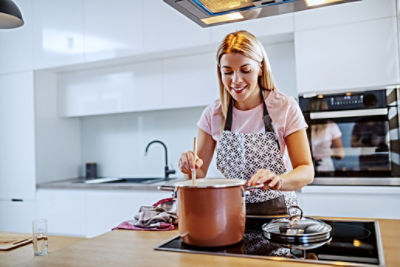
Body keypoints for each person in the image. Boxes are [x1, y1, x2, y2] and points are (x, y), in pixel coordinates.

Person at [178, 30, 314, 215]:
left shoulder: (284, 106)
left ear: (260, 68)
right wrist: (189, 168)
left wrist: (278, 181)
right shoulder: (214, 113)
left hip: (279, 213)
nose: (235, 80)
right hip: (231, 211)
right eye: (227, 72)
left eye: (245, 70)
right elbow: (198, 174)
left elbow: (306, 170)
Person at [308, 99, 344, 172]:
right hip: (309, 168)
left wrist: (327, 152)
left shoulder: (331, 126)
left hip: (325, 168)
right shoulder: (305, 127)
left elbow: (341, 154)